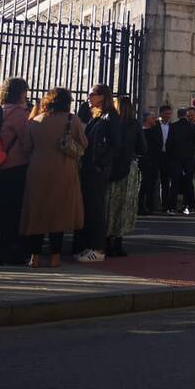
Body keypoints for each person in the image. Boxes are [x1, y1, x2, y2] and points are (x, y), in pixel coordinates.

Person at [20, 88, 86, 268]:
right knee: (59, 212)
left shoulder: (35, 121)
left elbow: (26, 146)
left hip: (37, 169)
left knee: (37, 211)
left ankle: (35, 256)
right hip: (63, 168)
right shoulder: (72, 120)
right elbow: (83, 144)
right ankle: (55, 256)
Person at [0, 77, 33, 266]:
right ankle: (5, 253)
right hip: (13, 167)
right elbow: (27, 142)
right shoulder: (18, 114)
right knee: (10, 213)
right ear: (21, 93)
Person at [75, 84, 121, 261]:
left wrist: (101, 164)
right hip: (90, 168)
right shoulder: (98, 116)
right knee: (89, 207)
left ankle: (97, 248)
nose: (88, 97)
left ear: (102, 96)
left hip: (98, 169)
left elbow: (116, 144)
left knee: (96, 208)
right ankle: (88, 245)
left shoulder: (111, 117)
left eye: (92, 94)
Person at [106, 96, 146, 257]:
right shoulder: (134, 124)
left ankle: (106, 240)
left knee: (110, 204)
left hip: (110, 168)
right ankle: (118, 242)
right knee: (124, 206)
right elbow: (143, 148)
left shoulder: (109, 122)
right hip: (127, 168)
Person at [143, 105, 174, 214]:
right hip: (155, 156)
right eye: (166, 113)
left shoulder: (172, 126)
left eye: (169, 114)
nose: (168, 116)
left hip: (167, 157)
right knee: (152, 181)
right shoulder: (154, 125)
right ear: (160, 114)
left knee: (165, 181)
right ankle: (150, 205)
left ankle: (165, 205)